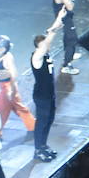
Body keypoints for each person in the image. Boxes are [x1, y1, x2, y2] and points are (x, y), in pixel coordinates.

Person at [0, 18, 36, 133]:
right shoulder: (0, 52)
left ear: (3, 49)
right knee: (19, 108)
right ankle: (33, 126)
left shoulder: (8, 58)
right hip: (4, 85)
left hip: (8, 87)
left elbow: (14, 74)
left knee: (0, 109)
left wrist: (11, 90)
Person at [30, 10, 65, 162]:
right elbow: (46, 42)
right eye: (43, 44)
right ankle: (38, 149)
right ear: (38, 46)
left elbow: (49, 39)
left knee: (49, 120)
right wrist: (52, 31)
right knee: (42, 121)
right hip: (41, 95)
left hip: (49, 93)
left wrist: (59, 18)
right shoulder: (36, 57)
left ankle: (43, 145)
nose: (47, 46)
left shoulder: (44, 53)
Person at [53, 0, 83, 75]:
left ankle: (70, 53)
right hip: (64, 17)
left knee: (67, 34)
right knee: (72, 39)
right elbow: (70, 7)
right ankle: (66, 65)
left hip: (64, 14)